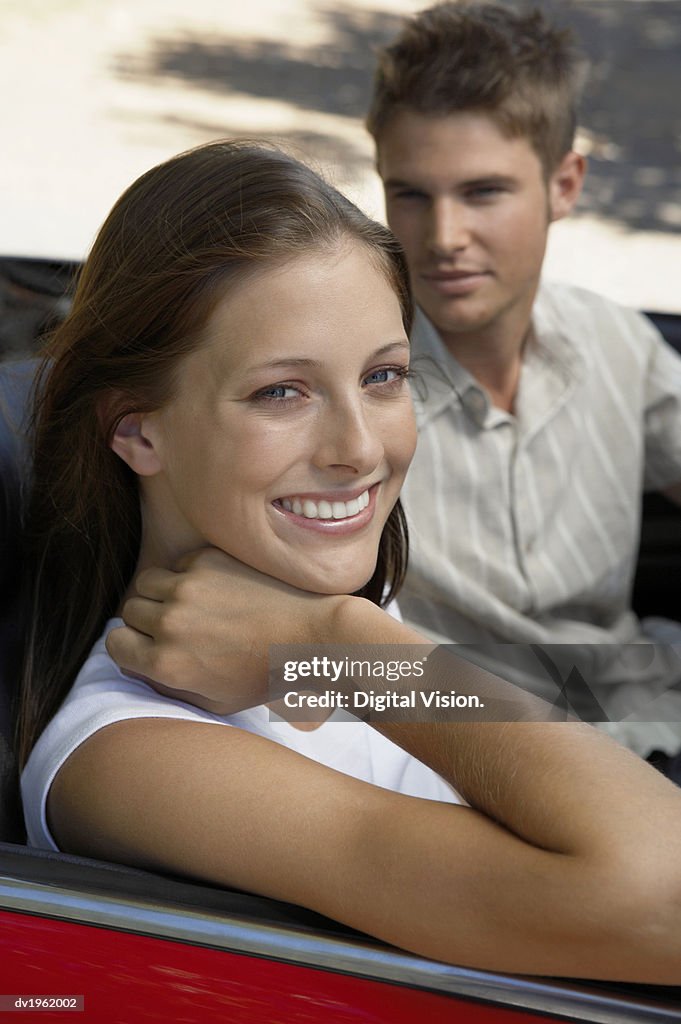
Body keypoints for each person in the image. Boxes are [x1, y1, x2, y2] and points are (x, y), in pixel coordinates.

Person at [17, 141, 681, 983]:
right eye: (280, 392)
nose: (359, 448)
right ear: (136, 429)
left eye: (383, 376)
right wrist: (332, 646)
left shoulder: (309, 601)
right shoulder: (128, 755)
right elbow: (665, 895)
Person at [363, 0, 681, 759]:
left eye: (482, 192)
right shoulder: (347, 393)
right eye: (409, 194)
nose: (442, 239)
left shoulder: (616, 344)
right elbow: (296, 667)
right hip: (469, 763)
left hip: (646, 716)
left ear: (564, 185)